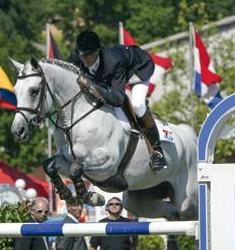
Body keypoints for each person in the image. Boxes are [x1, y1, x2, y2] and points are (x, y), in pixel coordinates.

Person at [68, 30, 167, 171]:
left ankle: (157, 151)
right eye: (82, 55)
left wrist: (93, 88)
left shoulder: (113, 61)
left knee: (137, 104)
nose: (85, 59)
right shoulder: (77, 57)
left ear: (98, 51)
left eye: (89, 55)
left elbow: (118, 98)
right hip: (112, 76)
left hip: (137, 69)